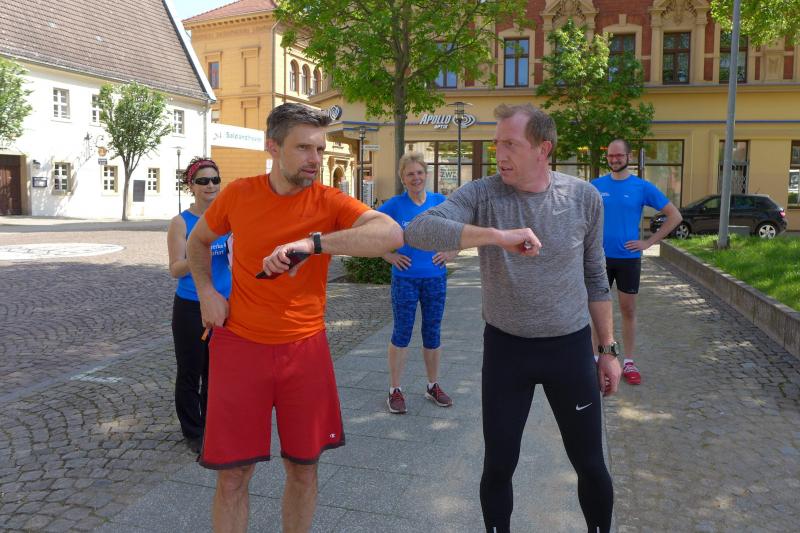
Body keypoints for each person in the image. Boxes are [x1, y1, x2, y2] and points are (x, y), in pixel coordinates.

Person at [186, 102, 403, 533]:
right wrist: (207, 292)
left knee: (304, 468)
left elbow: (391, 233)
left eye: (319, 149)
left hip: (304, 349)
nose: (315, 159)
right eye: (304, 148)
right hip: (240, 346)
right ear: (273, 147)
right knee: (233, 474)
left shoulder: (328, 200)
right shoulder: (238, 194)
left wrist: (313, 244)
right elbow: (197, 242)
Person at [405, 103, 622, 533]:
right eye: (496, 144)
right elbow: (419, 230)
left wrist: (609, 351)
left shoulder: (583, 197)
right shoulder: (483, 194)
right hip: (506, 351)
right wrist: (496, 236)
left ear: (543, 148)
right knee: (499, 465)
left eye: (510, 144)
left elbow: (596, 278)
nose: (499, 154)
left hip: (569, 350)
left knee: (590, 464)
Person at [591, 139, 682, 385]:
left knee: (628, 310)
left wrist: (649, 242)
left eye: (619, 155)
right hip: (599, 259)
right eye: (610, 155)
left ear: (629, 157)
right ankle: (596, 359)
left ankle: (629, 361)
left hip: (628, 259)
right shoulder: (596, 186)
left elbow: (675, 216)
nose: (614, 159)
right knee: (597, 311)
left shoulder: (641, 187)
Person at [377, 152, 458, 414]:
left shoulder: (439, 202)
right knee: (402, 332)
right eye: (410, 174)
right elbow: (371, 232)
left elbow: (460, 231)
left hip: (435, 279)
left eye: (420, 173)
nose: (416, 178)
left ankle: (433, 385)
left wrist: (451, 253)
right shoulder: (394, 205)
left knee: (432, 333)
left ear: (426, 174)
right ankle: (395, 389)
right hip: (405, 281)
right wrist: (389, 256)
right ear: (403, 178)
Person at [167, 157, 231, 454]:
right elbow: (175, 269)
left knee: (217, 373)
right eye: (203, 181)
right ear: (191, 186)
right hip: (191, 305)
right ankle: (193, 431)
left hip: (227, 305)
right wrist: (199, 250)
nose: (210, 186)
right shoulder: (181, 222)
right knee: (190, 371)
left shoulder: (229, 219)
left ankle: (214, 426)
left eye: (215, 180)